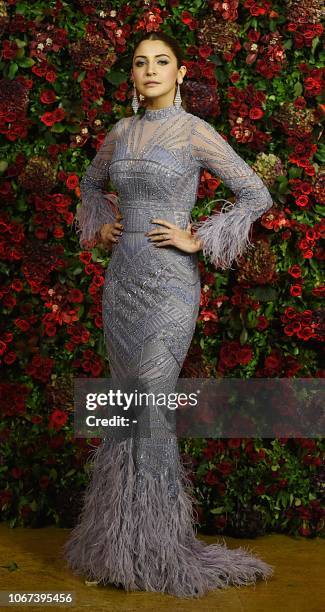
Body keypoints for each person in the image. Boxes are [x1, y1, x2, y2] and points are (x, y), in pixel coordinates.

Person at [63, 31, 274, 598]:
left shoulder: (194, 132)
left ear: (180, 74)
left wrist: (200, 239)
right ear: (131, 75)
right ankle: (116, 544)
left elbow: (256, 194)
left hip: (170, 287)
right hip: (123, 283)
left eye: (162, 62)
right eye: (140, 63)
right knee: (125, 402)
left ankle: (160, 547)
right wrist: (102, 225)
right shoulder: (119, 133)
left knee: (152, 399)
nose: (150, 70)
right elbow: (88, 189)